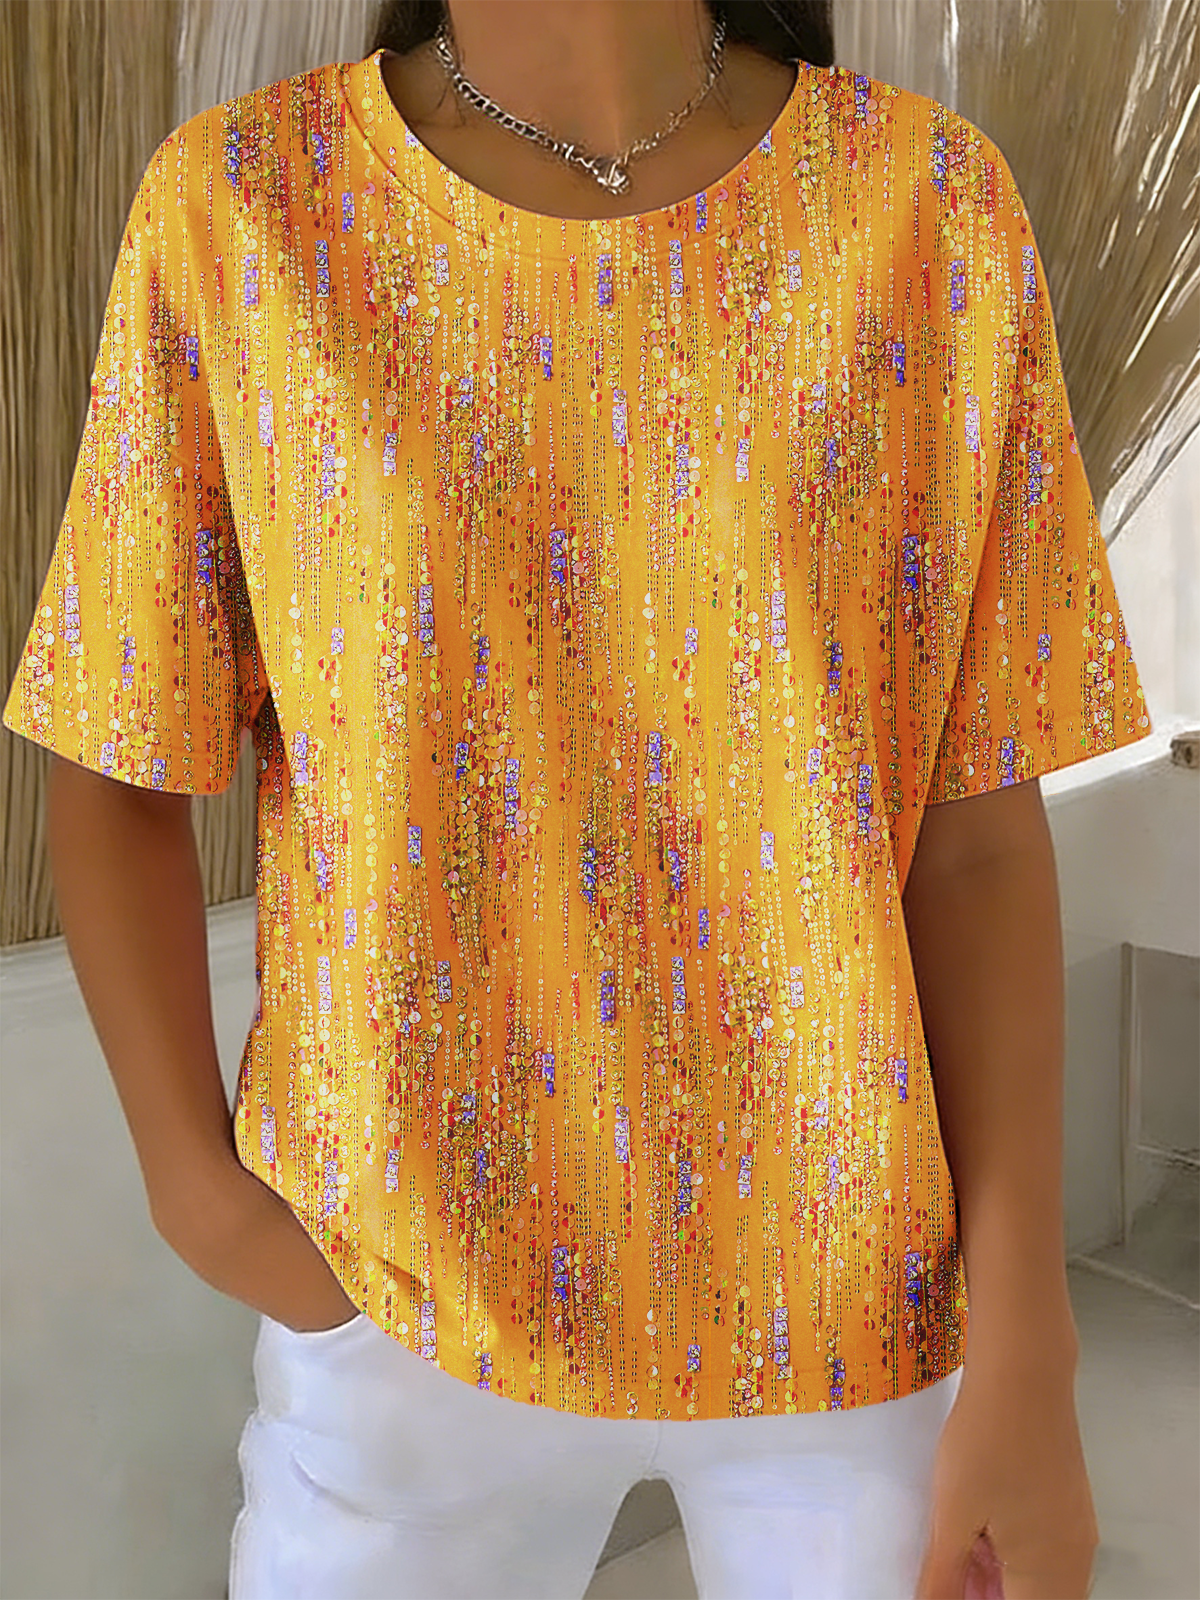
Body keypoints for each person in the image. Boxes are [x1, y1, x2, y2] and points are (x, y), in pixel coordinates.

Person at [1, 1, 1154, 1596]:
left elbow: (972, 840)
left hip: (858, 1306)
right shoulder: (248, 207)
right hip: (399, 1301)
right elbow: (116, 745)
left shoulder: (926, 206)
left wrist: (1030, 1338)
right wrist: (203, 1204)